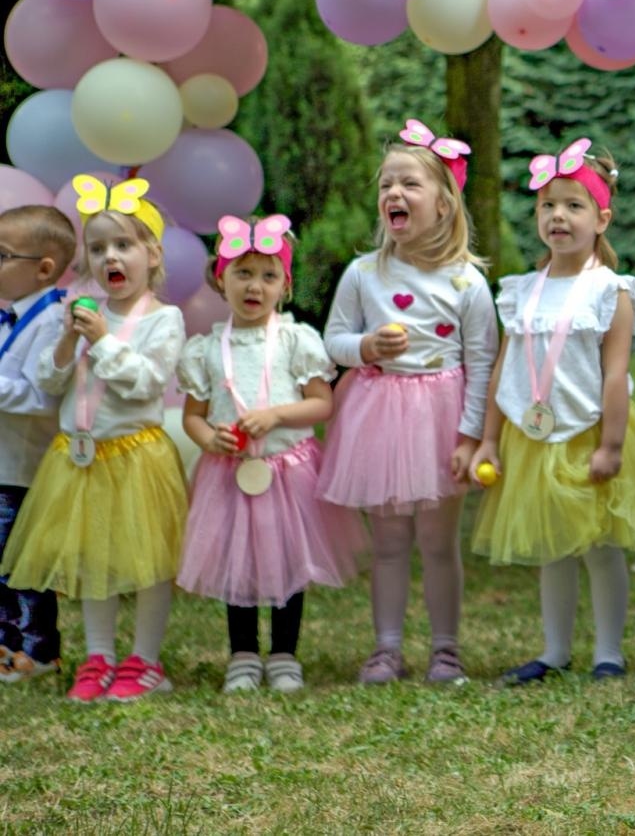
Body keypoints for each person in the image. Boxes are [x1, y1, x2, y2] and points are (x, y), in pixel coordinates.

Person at [469, 139, 635, 684]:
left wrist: (612, 445)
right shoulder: (520, 291)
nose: (558, 216)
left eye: (573, 205)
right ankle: (554, 650)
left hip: (590, 431)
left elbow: (615, 374)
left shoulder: (609, 291)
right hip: (532, 436)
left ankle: (608, 652)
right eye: (548, 205)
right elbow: (505, 371)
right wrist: (489, 439)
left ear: (601, 219)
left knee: (600, 544)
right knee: (553, 546)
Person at [320, 121, 498, 686]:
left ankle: (446, 650)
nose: (394, 193)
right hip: (379, 417)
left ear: (443, 204)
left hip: (441, 418)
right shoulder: (364, 274)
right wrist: (366, 348)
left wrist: (469, 436)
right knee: (390, 541)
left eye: (409, 184)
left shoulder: (467, 282)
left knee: (439, 542)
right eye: (386, 186)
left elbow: (483, 362)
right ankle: (386, 649)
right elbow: (333, 340)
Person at [0, 177, 188, 702]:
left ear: (153, 254)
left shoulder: (163, 318)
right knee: (92, 562)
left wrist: (102, 342)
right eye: (99, 248)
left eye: (124, 244)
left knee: (148, 565)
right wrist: (67, 339)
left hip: (135, 456)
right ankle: (99, 657)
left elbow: (145, 382)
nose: (111, 257)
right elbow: (50, 379)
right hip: (78, 459)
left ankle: (145, 660)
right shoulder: (85, 313)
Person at [177, 215, 364, 692]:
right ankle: (242, 654)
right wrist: (208, 439)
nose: (254, 286)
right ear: (221, 279)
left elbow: (321, 403)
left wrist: (277, 415)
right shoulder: (206, 350)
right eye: (242, 273)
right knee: (238, 562)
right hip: (229, 473)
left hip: (288, 472)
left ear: (285, 286)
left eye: (268, 275)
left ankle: (283, 655)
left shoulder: (296, 340)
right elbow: (193, 415)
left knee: (288, 562)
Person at [0, 205, 74, 683]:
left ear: (43, 269)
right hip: (4, 463)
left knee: (20, 566)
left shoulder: (51, 322)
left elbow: (42, 397)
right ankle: (8, 645)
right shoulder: (10, 315)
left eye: (2, 255)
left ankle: (37, 650)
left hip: (23, 470)